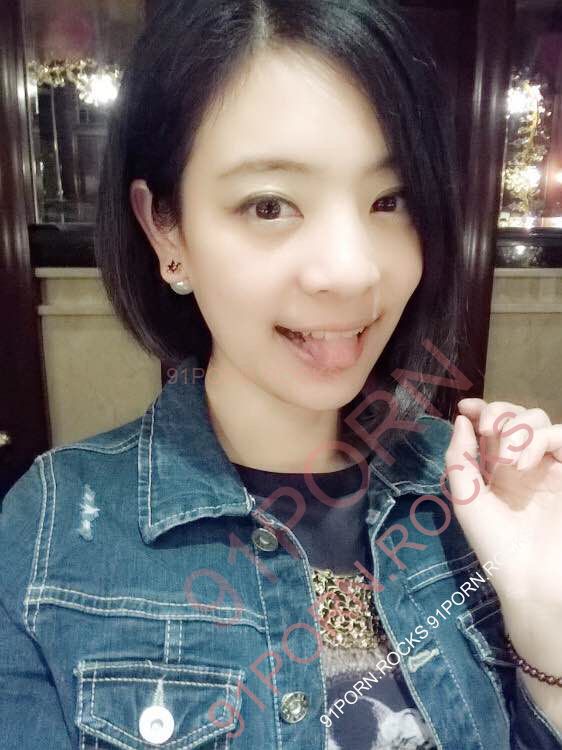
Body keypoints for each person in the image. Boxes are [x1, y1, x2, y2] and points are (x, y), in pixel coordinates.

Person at [1, 1, 561, 748]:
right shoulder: (52, 530)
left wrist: (547, 616)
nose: (352, 271)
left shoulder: (484, 496)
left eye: (388, 200)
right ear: (166, 229)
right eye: (269, 205)